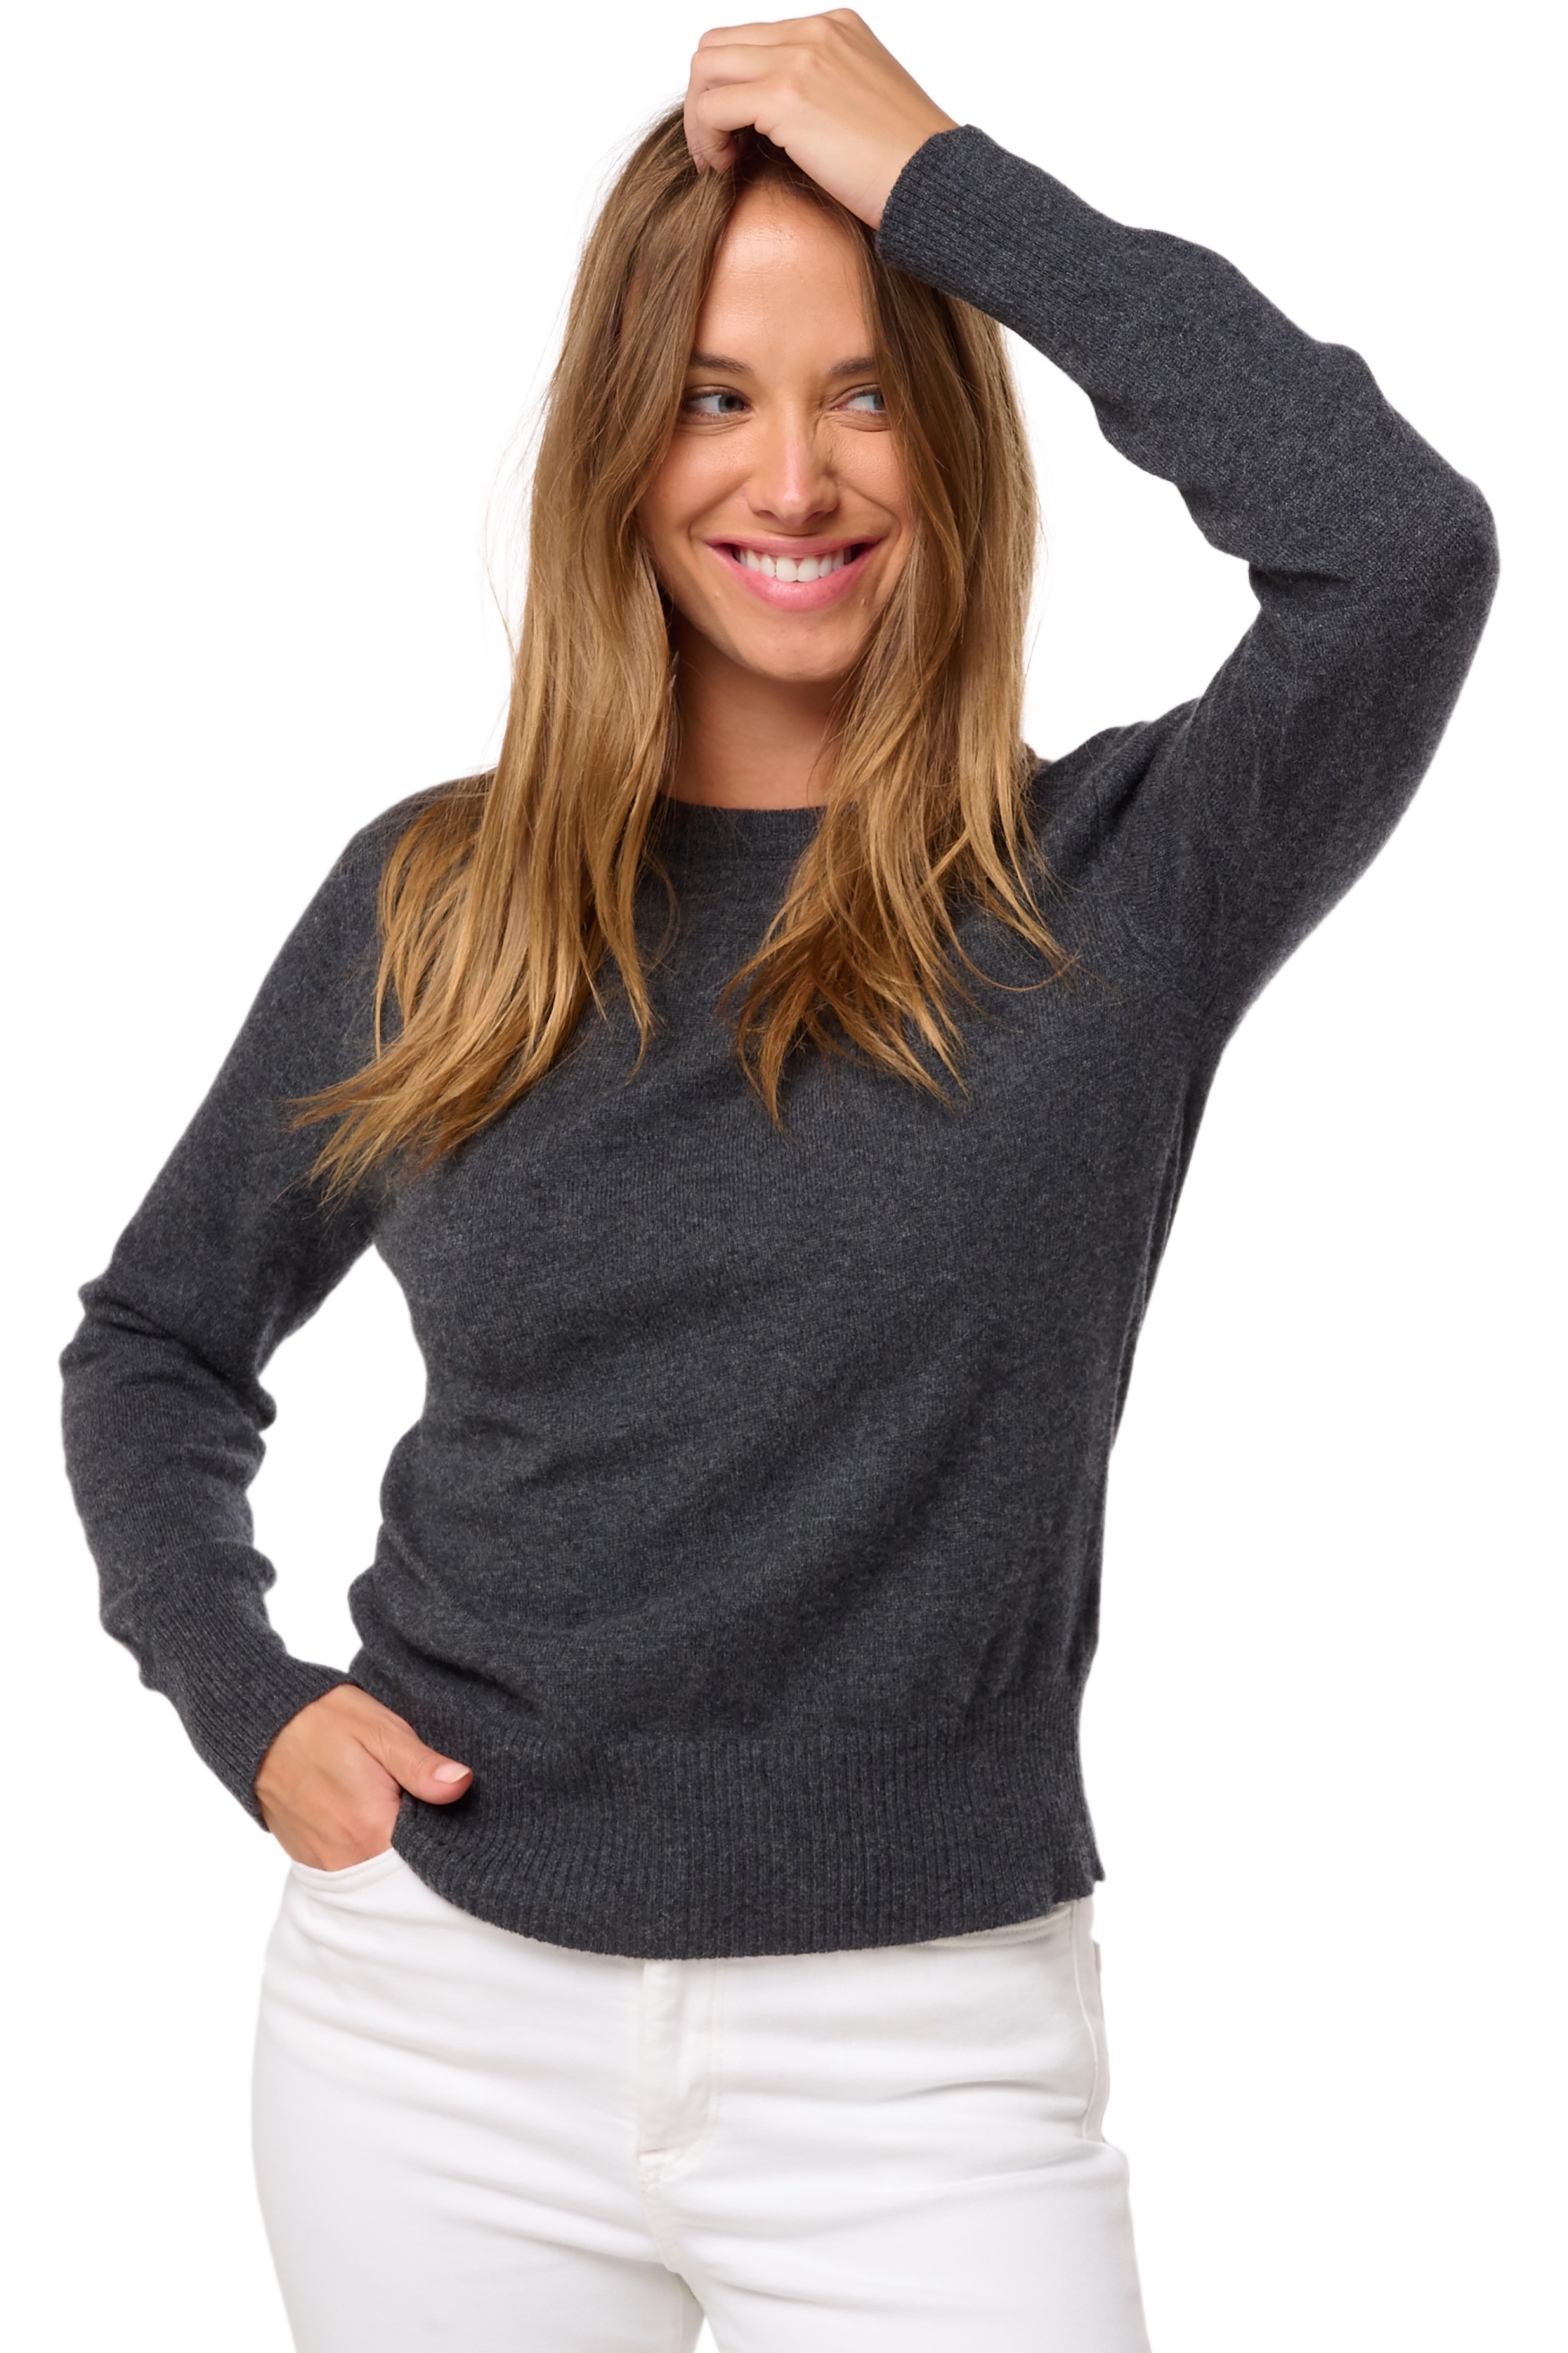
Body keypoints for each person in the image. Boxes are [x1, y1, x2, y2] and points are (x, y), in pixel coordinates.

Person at [58, 13, 1497, 2350]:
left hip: (927, 2068)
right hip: (430, 2029)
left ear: (956, 436)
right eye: (717, 393)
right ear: (619, 445)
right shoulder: (437, 900)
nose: (799, 477)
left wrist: (944, 180)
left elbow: (1397, 546)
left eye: (870, 394)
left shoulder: (1111, 884)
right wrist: (247, 1698)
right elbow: (157, 1341)